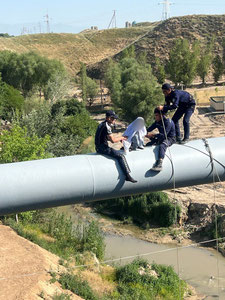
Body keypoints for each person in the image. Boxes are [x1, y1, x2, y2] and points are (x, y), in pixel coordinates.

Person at [95, 110, 137, 183]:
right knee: (120, 156)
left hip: (99, 147)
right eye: (112, 118)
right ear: (108, 118)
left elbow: (106, 137)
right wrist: (122, 138)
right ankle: (127, 175)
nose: (114, 120)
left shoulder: (102, 124)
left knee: (116, 152)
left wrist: (119, 138)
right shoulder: (107, 126)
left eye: (115, 118)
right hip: (102, 148)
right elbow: (113, 140)